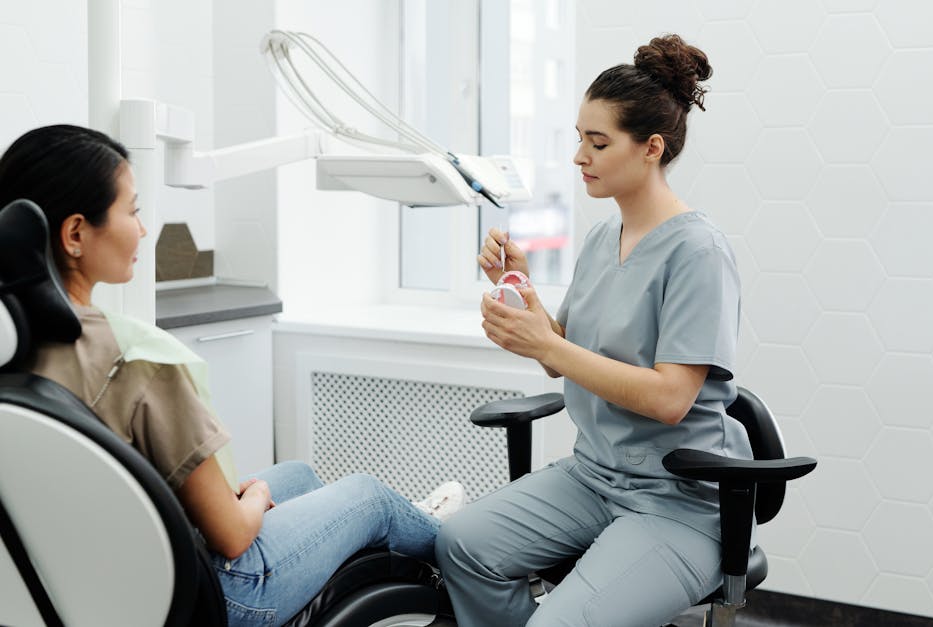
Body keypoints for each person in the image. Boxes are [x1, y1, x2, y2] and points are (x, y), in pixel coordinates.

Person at [0, 123, 464, 627]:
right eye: (132, 211)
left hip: (92, 576)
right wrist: (257, 499)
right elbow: (233, 538)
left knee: (300, 476)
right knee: (370, 497)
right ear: (74, 234)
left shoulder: (15, 343)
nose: (143, 229)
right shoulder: (138, 360)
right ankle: (459, 549)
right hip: (215, 594)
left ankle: (416, 520)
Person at [435, 34, 754, 627]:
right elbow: (563, 360)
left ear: (651, 148)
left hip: (677, 501)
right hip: (593, 476)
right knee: (461, 546)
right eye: (578, 139)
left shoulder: (698, 252)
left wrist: (547, 342)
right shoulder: (601, 239)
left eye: (598, 142)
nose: (579, 157)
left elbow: (669, 398)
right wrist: (529, 303)